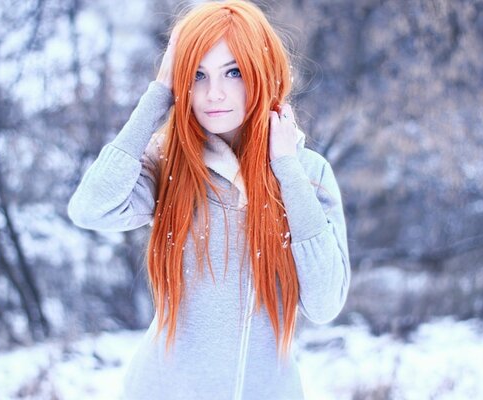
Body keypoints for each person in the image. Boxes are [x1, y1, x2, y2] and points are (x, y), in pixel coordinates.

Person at [67, 1, 350, 399]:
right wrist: (159, 95)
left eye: (232, 72)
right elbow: (89, 208)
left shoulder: (307, 174)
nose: (213, 93)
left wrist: (286, 169)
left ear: (260, 71)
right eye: (197, 75)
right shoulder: (171, 165)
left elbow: (323, 304)